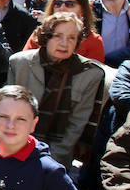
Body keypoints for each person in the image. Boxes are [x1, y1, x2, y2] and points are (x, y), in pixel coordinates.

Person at [8, 13, 106, 168]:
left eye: (72, 38)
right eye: (58, 36)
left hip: (56, 158)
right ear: (46, 37)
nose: (64, 43)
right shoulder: (19, 63)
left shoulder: (89, 73)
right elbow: (8, 112)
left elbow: (77, 123)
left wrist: (49, 160)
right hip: (14, 147)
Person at [23, 0, 106, 62]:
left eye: (70, 4)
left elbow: (93, 74)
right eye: (57, 4)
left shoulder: (94, 40)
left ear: (83, 10)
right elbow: (26, 63)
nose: (62, 8)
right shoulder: (39, 34)